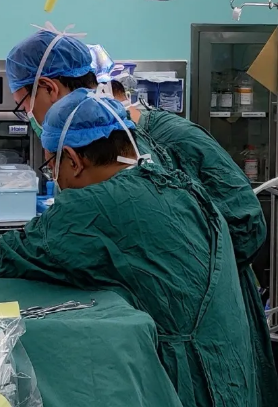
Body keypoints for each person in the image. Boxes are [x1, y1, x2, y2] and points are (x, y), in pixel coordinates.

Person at [0, 88, 257, 406]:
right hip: (231, 369)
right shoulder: (179, 185)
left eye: (52, 165)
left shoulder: (92, 205)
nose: (54, 177)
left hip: (186, 381)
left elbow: (9, 257)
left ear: (73, 160)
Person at [108, 75, 278, 405]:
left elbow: (246, 223)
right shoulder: (123, 143)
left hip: (216, 303)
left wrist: (196, 272)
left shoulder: (172, 137)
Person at [6, 28, 170, 167]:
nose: (28, 115)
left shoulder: (102, 151)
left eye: (24, 106)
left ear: (49, 88)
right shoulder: (113, 135)